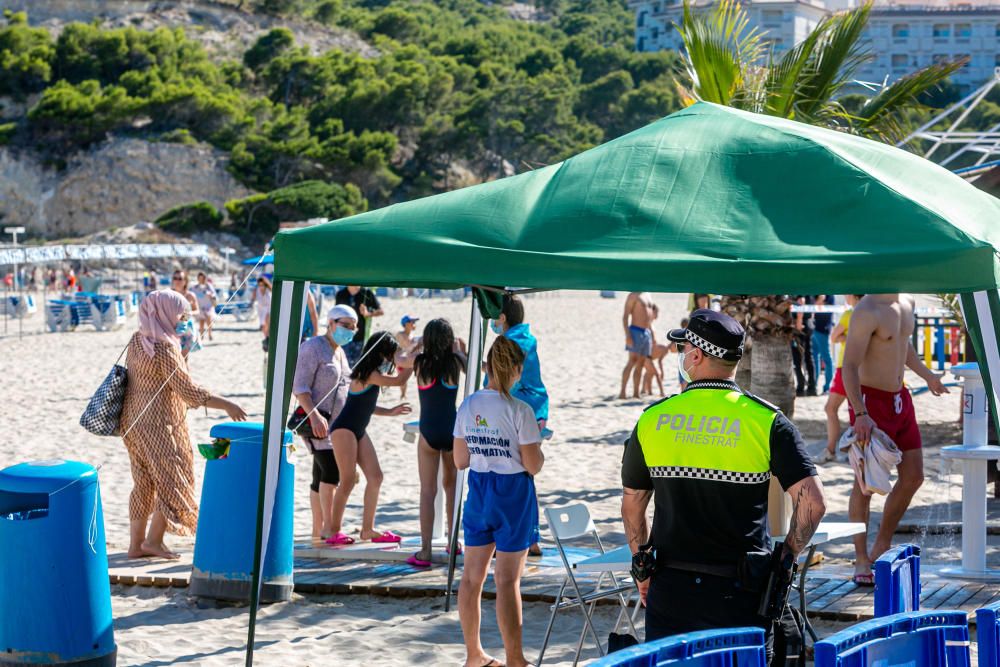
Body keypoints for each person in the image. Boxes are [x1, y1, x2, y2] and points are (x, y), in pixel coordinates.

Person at [621, 309, 826, 645]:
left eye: (682, 348)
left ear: (697, 356)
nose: (681, 355)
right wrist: (786, 559)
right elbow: (813, 503)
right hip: (741, 592)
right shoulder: (766, 421)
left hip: (672, 589)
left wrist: (642, 565)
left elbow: (633, 504)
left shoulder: (652, 420)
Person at [120, 290, 247, 559]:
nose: (184, 320)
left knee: (143, 483)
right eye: (181, 315)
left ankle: (135, 545)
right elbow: (188, 391)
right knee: (172, 479)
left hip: (132, 421)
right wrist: (226, 404)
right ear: (165, 313)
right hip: (159, 424)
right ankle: (153, 542)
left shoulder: (137, 340)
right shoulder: (165, 348)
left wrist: (182, 353)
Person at [842, 294, 948, 585]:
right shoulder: (867, 309)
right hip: (869, 403)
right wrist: (860, 412)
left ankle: (882, 543)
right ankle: (861, 558)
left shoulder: (907, 302)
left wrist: (928, 376)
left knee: (914, 477)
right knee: (864, 485)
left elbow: (904, 345)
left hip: (900, 399)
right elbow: (849, 365)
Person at [454, 336, 544, 667]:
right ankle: (515, 659)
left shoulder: (469, 405)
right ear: (517, 370)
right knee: (507, 581)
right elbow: (532, 465)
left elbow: (460, 459)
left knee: (471, 578)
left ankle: (473, 655)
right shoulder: (520, 410)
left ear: (487, 367)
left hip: (479, 490)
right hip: (512, 493)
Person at [327, 331, 412, 545]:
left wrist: (390, 411)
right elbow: (399, 379)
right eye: (391, 354)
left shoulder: (371, 374)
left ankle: (367, 530)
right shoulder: (367, 373)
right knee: (347, 480)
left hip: (358, 430)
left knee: (376, 477)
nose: (392, 359)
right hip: (344, 429)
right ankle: (333, 531)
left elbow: (366, 407)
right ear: (382, 353)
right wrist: (414, 362)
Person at [489, 295, 549, 556]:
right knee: (527, 475)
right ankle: (531, 536)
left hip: (518, 411)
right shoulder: (525, 337)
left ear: (502, 318)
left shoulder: (510, 341)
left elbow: (498, 377)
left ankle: (525, 536)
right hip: (535, 409)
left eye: (494, 315)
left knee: (518, 475)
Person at [293, 305, 358, 542]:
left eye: (353, 327)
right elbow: (300, 386)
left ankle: (318, 531)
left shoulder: (340, 351)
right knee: (331, 470)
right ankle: (330, 528)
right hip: (316, 420)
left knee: (319, 473)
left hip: (336, 424)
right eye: (345, 325)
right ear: (330, 323)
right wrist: (314, 415)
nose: (350, 330)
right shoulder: (313, 347)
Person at [408, 318, 467, 568]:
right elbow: (472, 367)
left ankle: (425, 550)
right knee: (451, 488)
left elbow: (401, 359)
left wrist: (416, 346)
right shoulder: (454, 364)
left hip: (428, 432)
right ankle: (453, 543)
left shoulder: (421, 364)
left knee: (427, 491)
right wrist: (460, 351)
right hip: (452, 431)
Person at [816, 295, 864, 464]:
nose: (844, 296)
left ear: (853, 295)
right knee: (857, 409)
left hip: (846, 367)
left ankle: (831, 451)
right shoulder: (870, 312)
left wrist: (849, 338)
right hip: (863, 367)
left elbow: (834, 338)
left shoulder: (850, 314)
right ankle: (854, 451)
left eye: (846, 293)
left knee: (832, 408)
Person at [620, 292, 657, 399]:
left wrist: (653, 334)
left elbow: (649, 316)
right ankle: (622, 392)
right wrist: (627, 335)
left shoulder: (648, 294)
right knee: (632, 361)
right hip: (635, 330)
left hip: (646, 332)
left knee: (641, 363)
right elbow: (625, 316)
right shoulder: (633, 295)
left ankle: (636, 393)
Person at [335, 285, 384, 365]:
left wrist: (368, 314)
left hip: (360, 337)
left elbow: (381, 311)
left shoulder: (366, 293)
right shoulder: (341, 294)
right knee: (343, 365)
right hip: (343, 337)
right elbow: (335, 315)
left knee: (356, 366)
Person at [792, 295, 817, 396]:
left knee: (798, 360)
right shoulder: (809, 291)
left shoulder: (800, 292)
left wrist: (798, 324)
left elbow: (800, 306)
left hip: (801, 329)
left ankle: (801, 387)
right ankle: (812, 387)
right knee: (808, 358)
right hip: (808, 326)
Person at [811, 295, 836, 394]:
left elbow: (821, 307)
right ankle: (814, 384)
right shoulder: (817, 291)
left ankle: (827, 387)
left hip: (823, 330)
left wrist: (819, 301)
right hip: (814, 328)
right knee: (814, 358)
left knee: (827, 358)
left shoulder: (830, 295)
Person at [642, 304, 666, 397]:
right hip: (646, 353)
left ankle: (646, 390)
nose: (658, 315)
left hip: (649, 352)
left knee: (649, 372)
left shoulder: (650, 323)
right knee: (656, 373)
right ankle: (662, 393)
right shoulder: (647, 323)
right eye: (656, 312)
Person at [395, 314, 421, 398]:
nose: (414, 324)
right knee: (403, 380)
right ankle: (403, 394)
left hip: (410, 360)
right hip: (402, 361)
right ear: (405, 324)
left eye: (414, 322)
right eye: (412, 322)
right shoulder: (400, 334)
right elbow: (406, 346)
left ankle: (404, 395)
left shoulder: (413, 337)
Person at [190, 272, 218, 342]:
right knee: (201, 322)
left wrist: (211, 295)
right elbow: (190, 292)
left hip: (208, 306)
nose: (201, 280)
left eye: (202, 278)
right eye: (199, 278)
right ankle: (202, 336)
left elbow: (214, 295)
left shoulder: (208, 286)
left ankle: (209, 334)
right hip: (200, 306)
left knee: (209, 320)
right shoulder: (195, 287)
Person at [250, 276, 272, 343]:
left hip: (269, 308)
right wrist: (251, 303)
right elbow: (253, 298)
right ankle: (267, 337)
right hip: (261, 309)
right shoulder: (256, 290)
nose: (261, 286)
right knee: (263, 326)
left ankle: (268, 336)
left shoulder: (269, 289)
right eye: (259, 285)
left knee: (267, 321)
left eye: (262, 285)